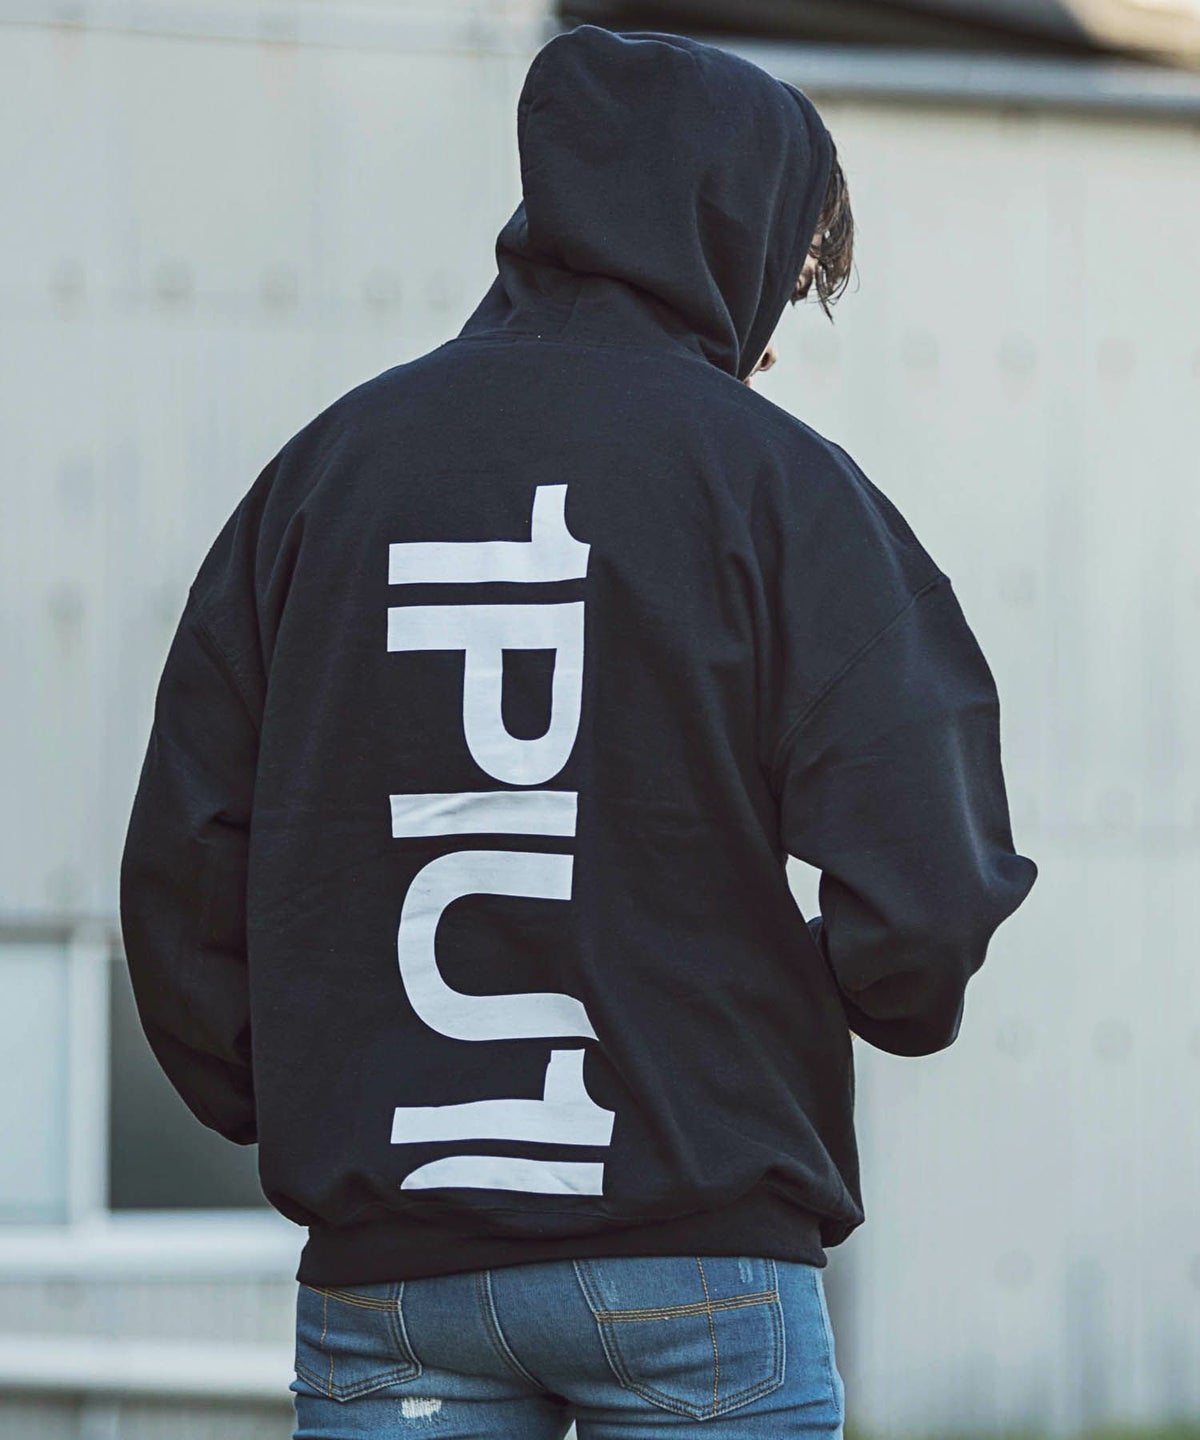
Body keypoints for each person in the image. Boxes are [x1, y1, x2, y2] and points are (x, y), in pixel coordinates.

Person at [118, 23, 1038, 1440]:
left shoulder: (323, 478)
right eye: (792, 277)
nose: (776, 333)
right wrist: (819, 1003)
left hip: (392, 1270)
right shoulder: (778, 490)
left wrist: (317, 1081)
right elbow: (924, 888)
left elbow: (184, 867)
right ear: (725, 237)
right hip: (695, 1258)